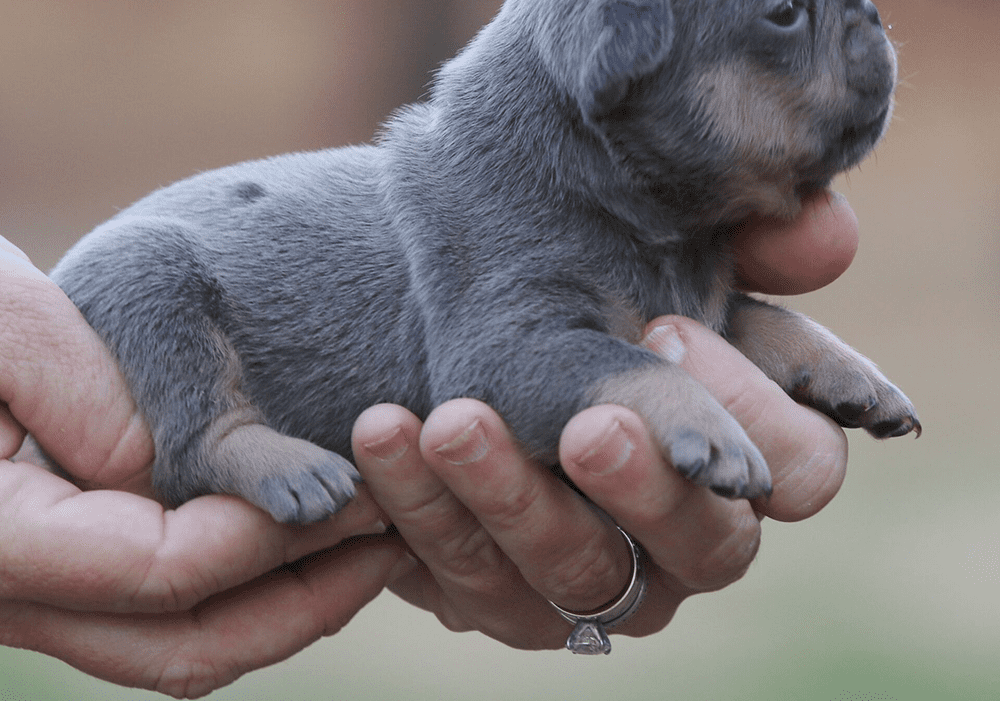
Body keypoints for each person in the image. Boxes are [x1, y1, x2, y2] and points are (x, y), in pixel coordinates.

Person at [0, 191, 857, 697]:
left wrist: (783, 346)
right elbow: (526, 351)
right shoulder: (517, 211)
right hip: (159, 298)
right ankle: (216, 438)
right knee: (149, 267)